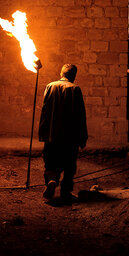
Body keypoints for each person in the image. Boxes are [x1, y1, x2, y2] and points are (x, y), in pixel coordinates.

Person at [38, 64, 87, 202]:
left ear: (61, 73)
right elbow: (80, 115)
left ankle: (51, 180)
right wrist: (82, 136)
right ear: (73, 75)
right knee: (69, 164)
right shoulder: (75, 89)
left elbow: (45, 110)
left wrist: (43, 132)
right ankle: (65, 191)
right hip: (69, 136)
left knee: (50, 162)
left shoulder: (50, 86)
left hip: (52, 134)